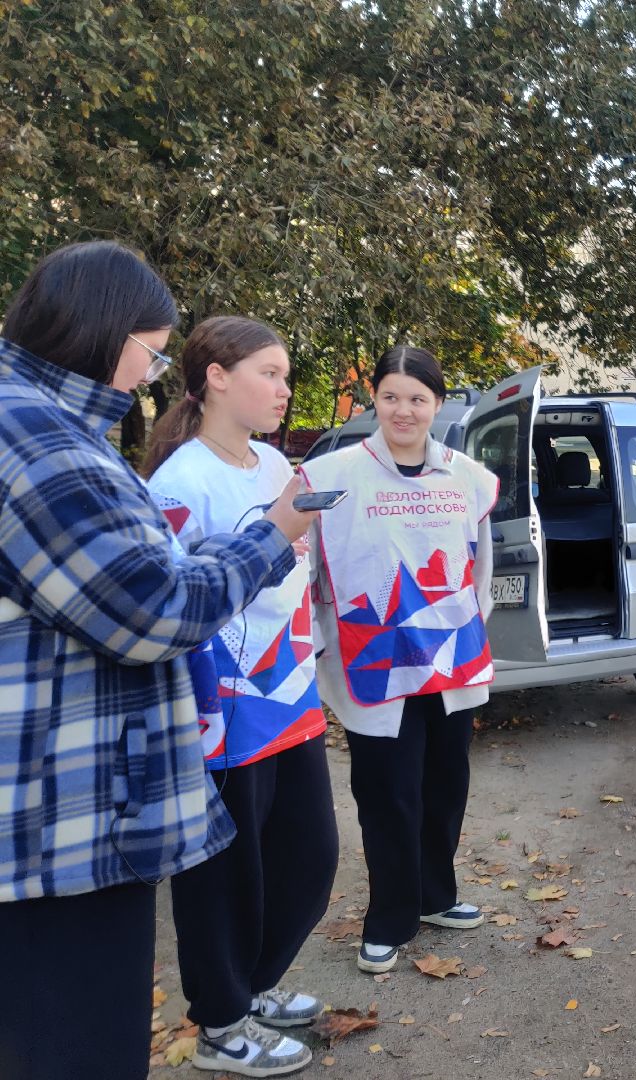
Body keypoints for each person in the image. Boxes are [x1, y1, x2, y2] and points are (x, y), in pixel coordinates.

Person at [0, 242, 316, 1080]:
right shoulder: (44, 444)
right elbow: (158, 607)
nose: (149, 372)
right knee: (80, 1046)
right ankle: (226, 1011)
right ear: (107, 332)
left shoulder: (43, 424)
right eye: (152, 348)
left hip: (74, 802)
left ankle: (246, 993)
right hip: (64, 815)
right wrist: (274, 535)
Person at [144, 317, 338, 1077]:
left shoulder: (273, 467)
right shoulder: (181, 482)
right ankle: (222, 1025)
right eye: (270, 372)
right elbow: (174, 605)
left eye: (287, 374)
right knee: (226, 877)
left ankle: (251, 987)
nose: (286, 390)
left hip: (289, 695)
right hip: (220, 709)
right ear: (216, 378)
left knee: (309, 857)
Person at [299, 345, 499, 974]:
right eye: (391, 396)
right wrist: (323, 643)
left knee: (445, 787)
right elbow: (310, 570)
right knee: (387, 794)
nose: (404, 410)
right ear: (374, 400)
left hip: (449, 663)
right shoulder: (332, 477)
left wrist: (469, 623)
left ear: (437, 404)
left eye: (417, 398)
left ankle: (438, 896)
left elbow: (482, 565)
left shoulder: (468, 476)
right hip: (375, 665)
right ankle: (390, 917)